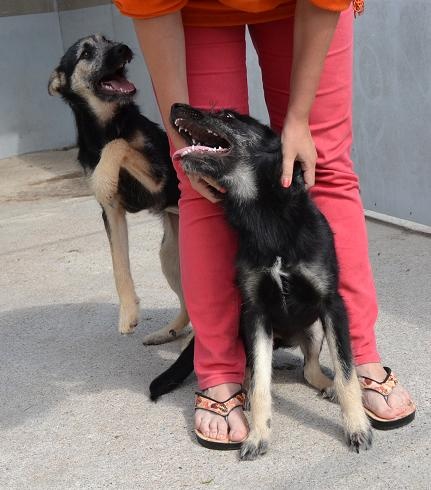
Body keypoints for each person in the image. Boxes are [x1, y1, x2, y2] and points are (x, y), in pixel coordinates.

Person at [114, 0, 416, 448]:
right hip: (196, 9)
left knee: (323, 164)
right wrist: (183, 140)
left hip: (303, 6)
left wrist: (299, 118)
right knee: (203, 181)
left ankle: (359, 357)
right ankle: (220, 371)